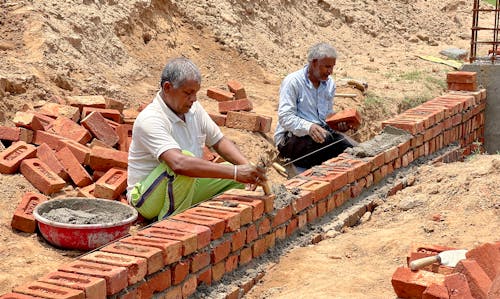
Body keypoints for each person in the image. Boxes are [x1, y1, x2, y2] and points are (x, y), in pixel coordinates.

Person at [127, 57, 267, 221]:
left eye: (196, 93)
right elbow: (179, 164)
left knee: (236, 178)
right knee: (187, 162)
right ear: (167, 88)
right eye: (188, 93)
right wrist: (236, 172)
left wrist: (246, 168)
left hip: (186, 185)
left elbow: (219, 141)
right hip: (147, 199)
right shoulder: (151, 118)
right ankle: (169, 225)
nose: (194, 99)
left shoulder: (193, 109)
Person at [274, 42, 357, 176]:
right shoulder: (293, 82)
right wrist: (309, 127)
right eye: (327, 66)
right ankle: (300, 166)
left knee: (356, 150)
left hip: (321, 136)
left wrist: (338, 125)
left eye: (332, 67)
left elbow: (326, 117)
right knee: (327, 140)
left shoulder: (329, 84)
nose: (330, 71)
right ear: (313, 63)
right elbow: (285, 117)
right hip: (291, 139)